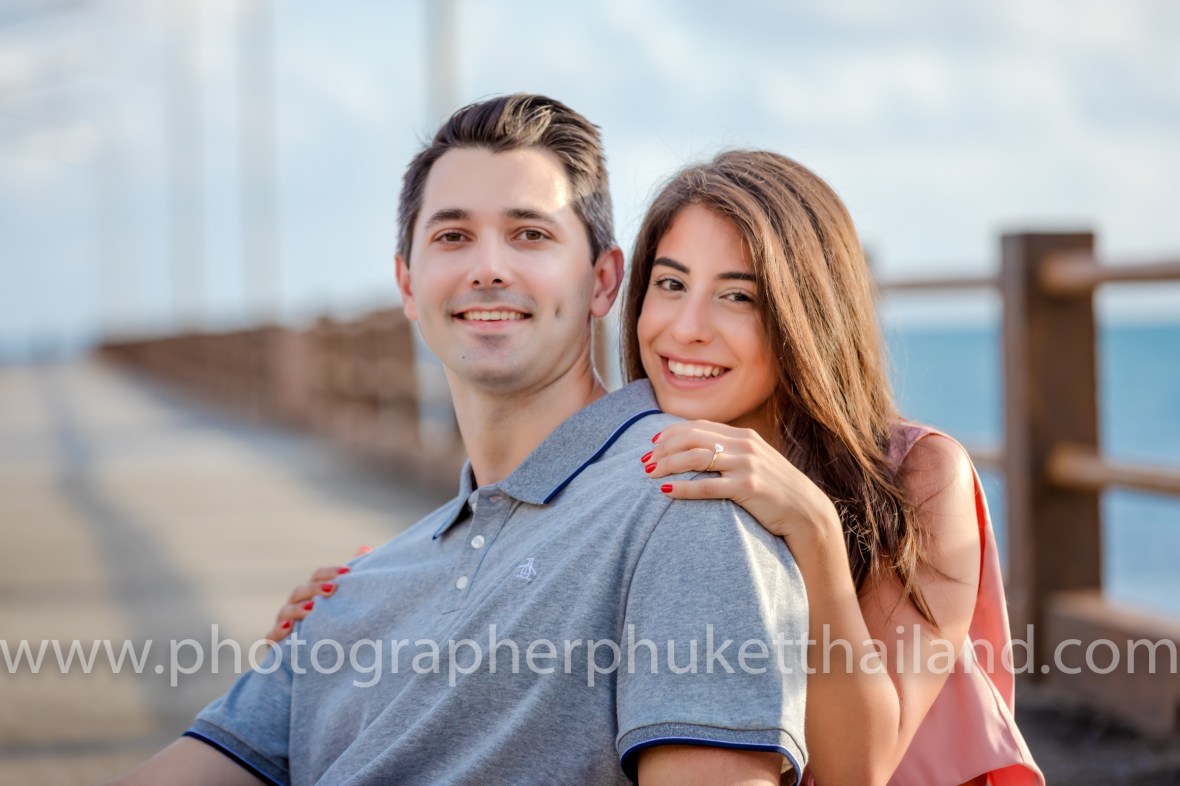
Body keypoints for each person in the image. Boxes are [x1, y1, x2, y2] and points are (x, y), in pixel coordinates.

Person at [277, 150, 1044, 785]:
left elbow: (858, 771)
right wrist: (374, 605)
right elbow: (533, 581)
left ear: (805, 314)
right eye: (671, 285)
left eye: (738, 296)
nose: (686, 329)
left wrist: (811, 529)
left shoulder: (916, 476)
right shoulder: (639, 469)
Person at [106, 95, 809, 786]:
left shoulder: (682, 498)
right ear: (408, 286)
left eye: (530, 234)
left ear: (602, 280)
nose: (489, 268)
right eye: (452, 236)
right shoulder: (357, 588)